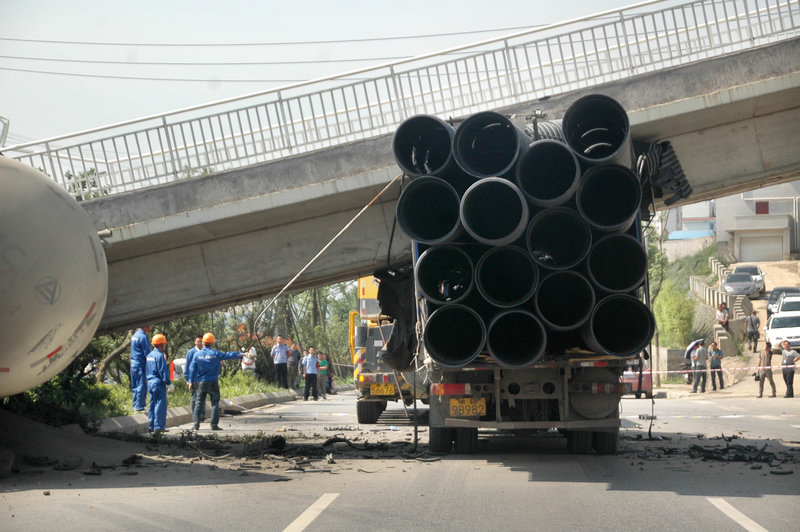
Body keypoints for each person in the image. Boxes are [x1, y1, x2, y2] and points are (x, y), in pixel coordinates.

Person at [190, 332, 243, 430]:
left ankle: (195, 425)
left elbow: (192, 369)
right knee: (214, 403)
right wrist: (241, 354)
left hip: (201, 383)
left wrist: (191, 381)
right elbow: (228, 355)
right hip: (213, 383)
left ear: (203, 342)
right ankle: (213, 425)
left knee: (198, 403)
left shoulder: (197, 355)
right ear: (212, 343)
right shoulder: (216, 354)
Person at [146, 334, 171, 434]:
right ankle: (159, 427)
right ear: (161, 345)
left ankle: (151, 426)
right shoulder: (160, 356)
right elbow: (163, 371)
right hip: (158, 383)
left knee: (152, 405)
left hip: (150, 383)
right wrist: (169, 383)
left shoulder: (149, 355)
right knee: (160, 405)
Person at [130, 326, 152, 412]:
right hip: (140, 365)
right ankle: (139, 407)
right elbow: (147, 353)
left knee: (135, 386)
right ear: (146, 326)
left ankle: (134, 406)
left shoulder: (135, 335)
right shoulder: (143, 336)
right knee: (141, 386)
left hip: (134, 364)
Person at [184, 335, 205, 423]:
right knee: (194, 398)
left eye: (201, 341)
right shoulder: (191, 352)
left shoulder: (204, 352)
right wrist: (188, 379)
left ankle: (202, 415)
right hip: (194, 378)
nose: (200, 343)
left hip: (203, 379)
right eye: (198, 341)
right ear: (195, 342)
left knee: (202, 397)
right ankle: (195, 416)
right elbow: (187, 366)